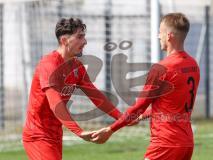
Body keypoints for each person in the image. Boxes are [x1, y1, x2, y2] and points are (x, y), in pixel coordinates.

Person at [91, 13, 200, 160]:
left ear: (168, 36)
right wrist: (142, 116)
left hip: (165, 144)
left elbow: (140, 105)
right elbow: (171, 104)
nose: (157, 36)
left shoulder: (162, 68)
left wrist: (111, 129)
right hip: (186, 143)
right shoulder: (193, 65)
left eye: (160, 33)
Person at [22, 18, 122, 160]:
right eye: (80, 37)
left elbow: (96, 97)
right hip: (37, 136)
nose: (85, 42)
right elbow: (56, 104)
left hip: (55, 134)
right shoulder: (49, 65)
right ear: (64, 40)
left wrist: (121, 117)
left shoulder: (76, 67)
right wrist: (79, 132)